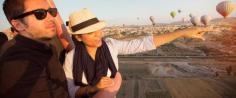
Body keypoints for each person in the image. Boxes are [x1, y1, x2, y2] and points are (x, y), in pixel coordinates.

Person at [63, 8, 214, 98]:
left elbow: (143, 43)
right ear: (78, 37)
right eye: (91, 33)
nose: (99, 35)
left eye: (99, 30)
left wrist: (181, 33)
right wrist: (93, 88)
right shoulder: (71, 57)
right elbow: (71, 91)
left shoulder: (110, 46)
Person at [0, 0, 70, 98]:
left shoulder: (46, 48)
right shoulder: (17, 60)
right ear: (18, 25)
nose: (52, 18)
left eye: (52, 11)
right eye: (40, 14)